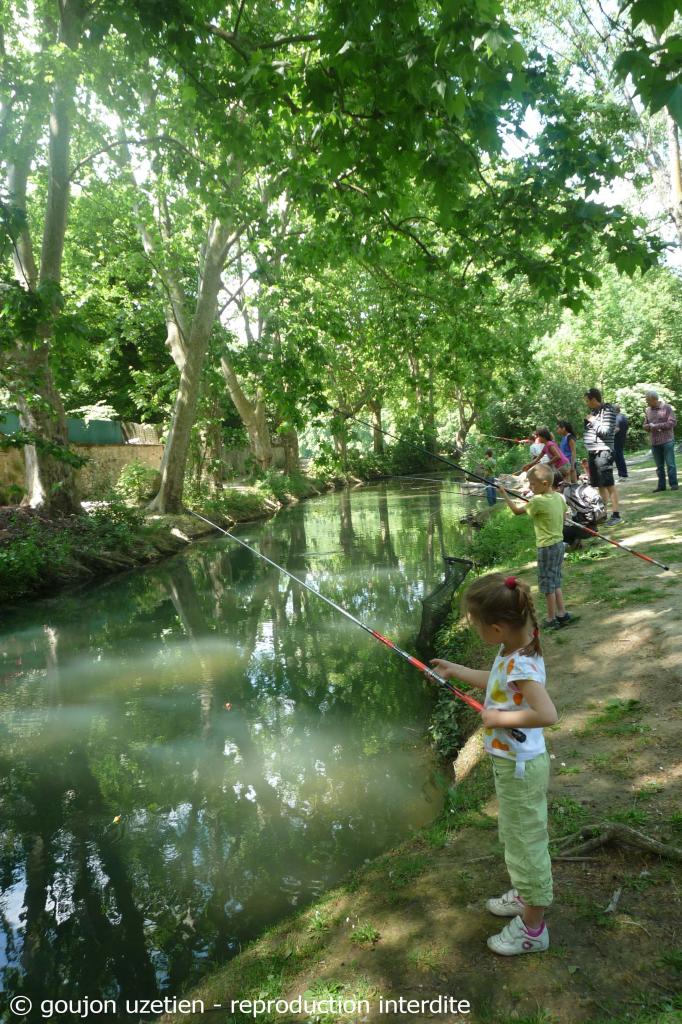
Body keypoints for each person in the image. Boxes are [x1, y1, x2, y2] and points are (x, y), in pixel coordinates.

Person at [430, 573, 556, 956]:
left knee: (526, 843)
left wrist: (501, 719)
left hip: (521, 769)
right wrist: (455, 670)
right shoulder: (514, 650)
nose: (472, 628)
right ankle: (524, 895)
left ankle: (533, 929)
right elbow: (496, 682)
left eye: (474, 623)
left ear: (497, 628)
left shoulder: (524, 665)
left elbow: (547, 713)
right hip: (511, 767)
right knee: (514, 835)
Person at [499, 464, 571, 628]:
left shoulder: (537, 501)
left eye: (532, 484)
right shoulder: (559, 497)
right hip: (559, 544)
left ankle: (551, 619)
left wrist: (504, 495)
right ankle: (562, 614)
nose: (530, 487)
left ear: (545, 483)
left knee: (547, 584)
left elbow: (517, 511)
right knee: (556, 580)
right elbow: (564, 514)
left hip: (546, 548)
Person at [583, 388, 621, 527]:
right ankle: (602, 514)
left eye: (588, 401)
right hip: (593, 452)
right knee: (599, 485)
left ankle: (616, 515)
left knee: (609, 484)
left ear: (594, 399)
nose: (587, 404)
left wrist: (592, 421)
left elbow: (606, 431)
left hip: (604, 451)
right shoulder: (594, 412)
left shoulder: (608, 410)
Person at [644, 390, 678, 492]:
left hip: (667, 440)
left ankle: (673, 484)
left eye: (648, 400)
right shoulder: (648, 410)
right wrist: (647, 427)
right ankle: (661, 486)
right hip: (654, 442)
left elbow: (672, 422)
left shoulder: (667, 408)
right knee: (659, 466)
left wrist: (656, 426)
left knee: (670, 464)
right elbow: (645, 424)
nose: (647, 402)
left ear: (654, 399)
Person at [613, 405, 629, 481]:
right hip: (622, 439)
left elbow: (616, 429)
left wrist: (610, 435)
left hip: (616, 440)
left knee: (618, 457)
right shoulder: (624, 417)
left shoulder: (616, 417)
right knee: (620, 456)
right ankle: (623, 474)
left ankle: (622, 474)